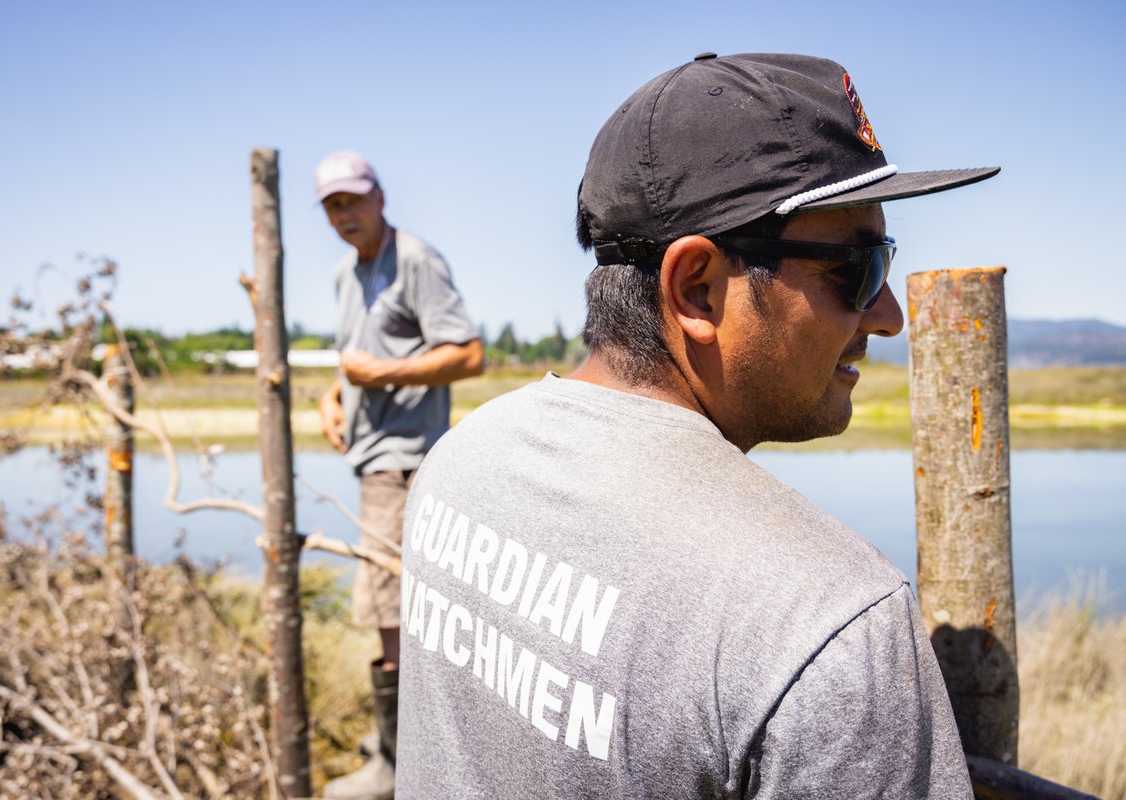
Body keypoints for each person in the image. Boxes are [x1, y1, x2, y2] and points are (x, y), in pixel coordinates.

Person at [395, 53, 999, 798]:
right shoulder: (831, 623)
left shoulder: (460, 463)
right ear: (697, 288)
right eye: (858, 267)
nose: (890, 316)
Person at [314, 149, 484, 800]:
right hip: (373, 458)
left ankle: (398, 768)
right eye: (332, 205)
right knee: (397, 614)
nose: (344, 213)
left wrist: (377, 377)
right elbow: (359, 355)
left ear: (380, 197)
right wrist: (336, 397)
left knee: (393, 614)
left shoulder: (414, 258)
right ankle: (402, 753)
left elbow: (467, 354)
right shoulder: (344, 274)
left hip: (407, 460)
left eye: (353, 199)